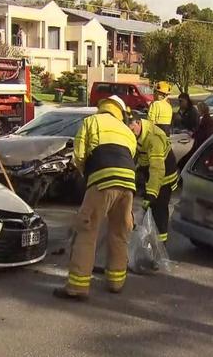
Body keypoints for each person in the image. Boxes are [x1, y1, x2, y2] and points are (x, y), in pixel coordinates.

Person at [54, 95, 137, 301]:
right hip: (128, 184)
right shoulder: (127, 131)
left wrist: (86, 175)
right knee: (119, 232)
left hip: (102, 179)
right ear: (120, 112)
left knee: (87, 230)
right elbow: (130, 156)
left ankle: (77, 287)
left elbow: (79, 153)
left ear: (102, 107)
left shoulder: (92, 121)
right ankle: (116, 282)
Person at [126, 113, 179, 243]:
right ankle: (150, 244)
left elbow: (157, 169)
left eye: (132, 130)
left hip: (164, 178)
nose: (131, 134)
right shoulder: (138, 133)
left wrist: (151, 194)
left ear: (138, 123)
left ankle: (161, 250)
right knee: (150, 211)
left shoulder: (154, 137)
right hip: (151, 175)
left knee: (159, 211)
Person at [178, 102, 213, 171]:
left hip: (201, 146)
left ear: (201, 110)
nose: (197, 112)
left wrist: (192, 134)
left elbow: (204, 134)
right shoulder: (205, 118)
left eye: (198, 109)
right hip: (200, 145)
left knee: (184, 162)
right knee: (184, 161)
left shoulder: (206, 120)